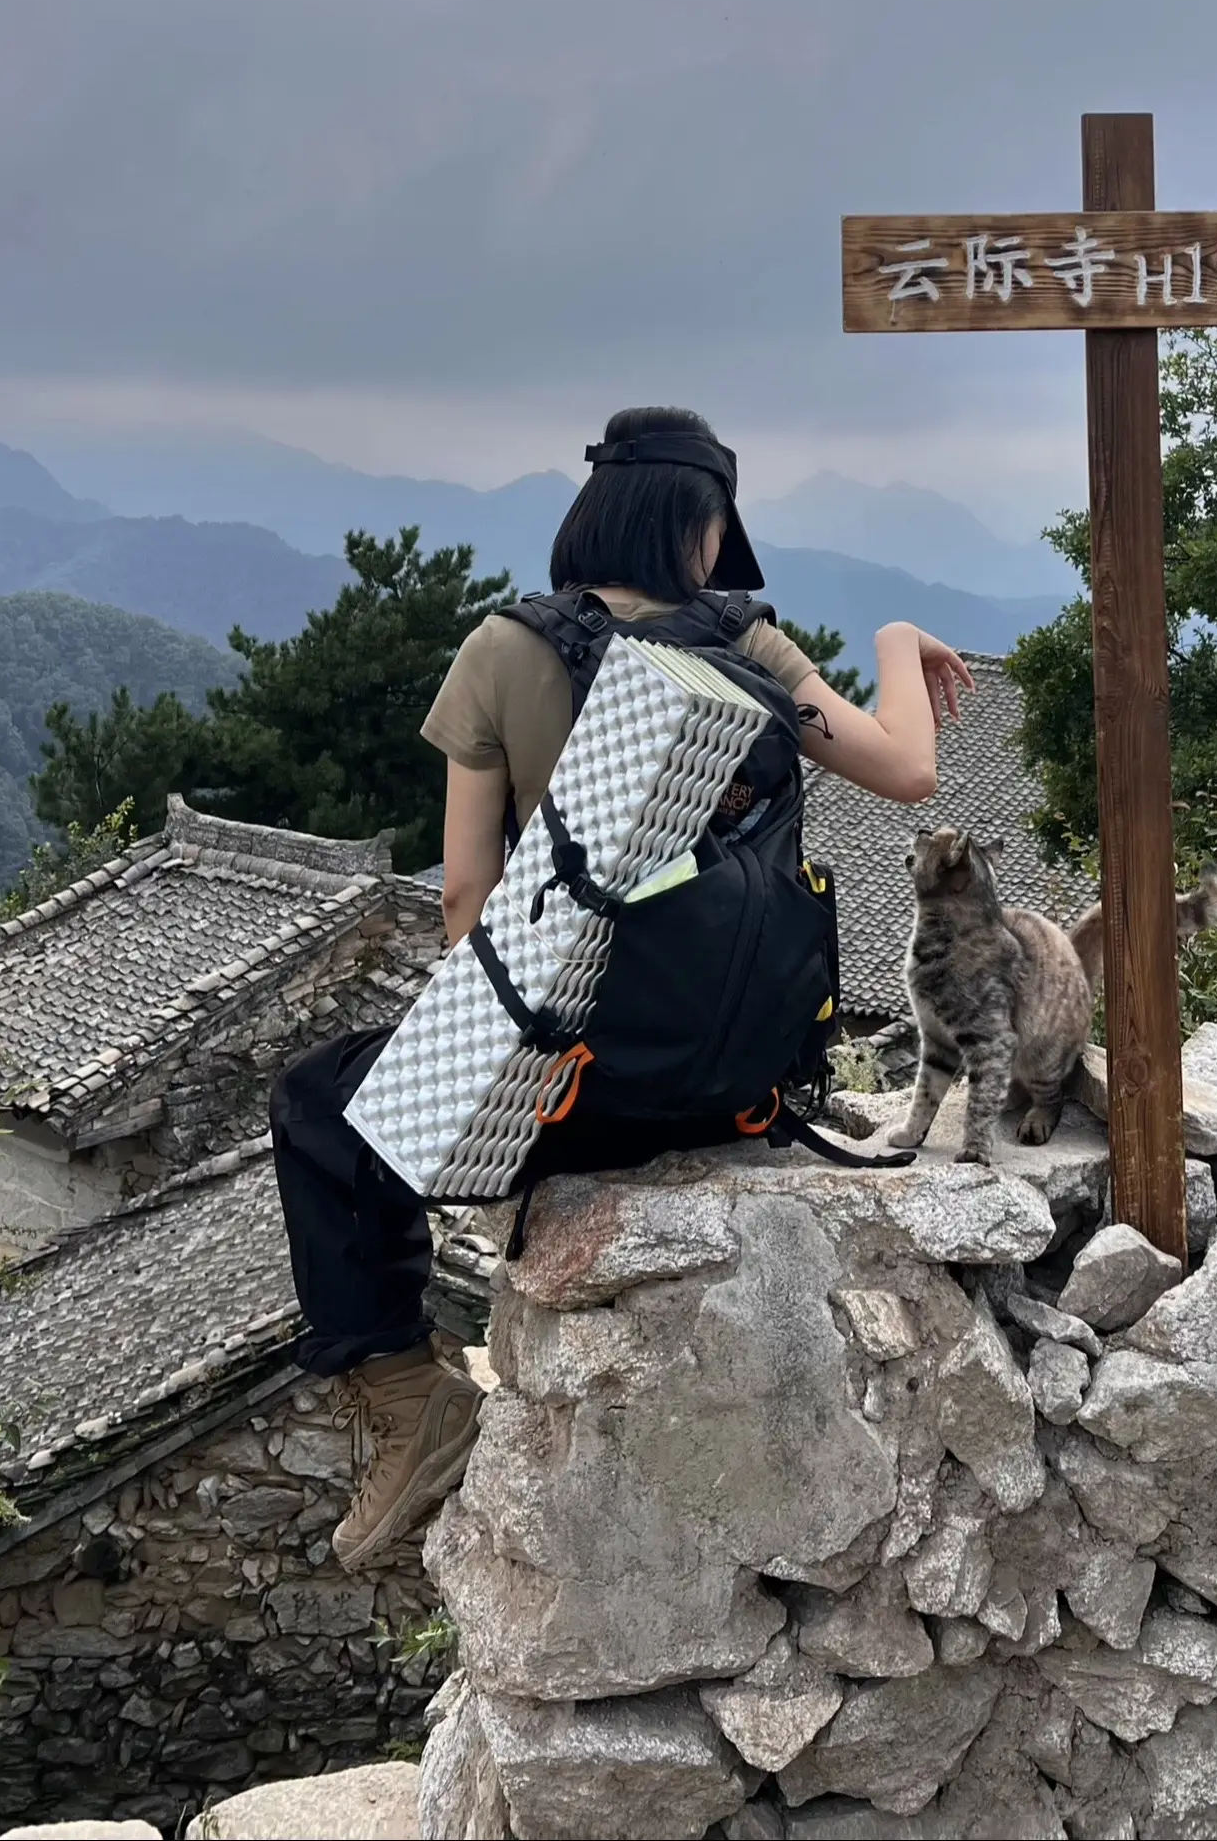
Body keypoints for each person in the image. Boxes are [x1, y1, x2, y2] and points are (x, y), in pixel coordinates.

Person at [270, 407, 973, 1571]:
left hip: (570, 1097)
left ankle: (405, 1395)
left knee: (314, 1102)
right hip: (741, 1093)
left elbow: (466, 903)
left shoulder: (503, 648)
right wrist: (898, 636)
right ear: (702, 529)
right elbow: (910, 768)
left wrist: (470, 1079)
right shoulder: (752, 649)